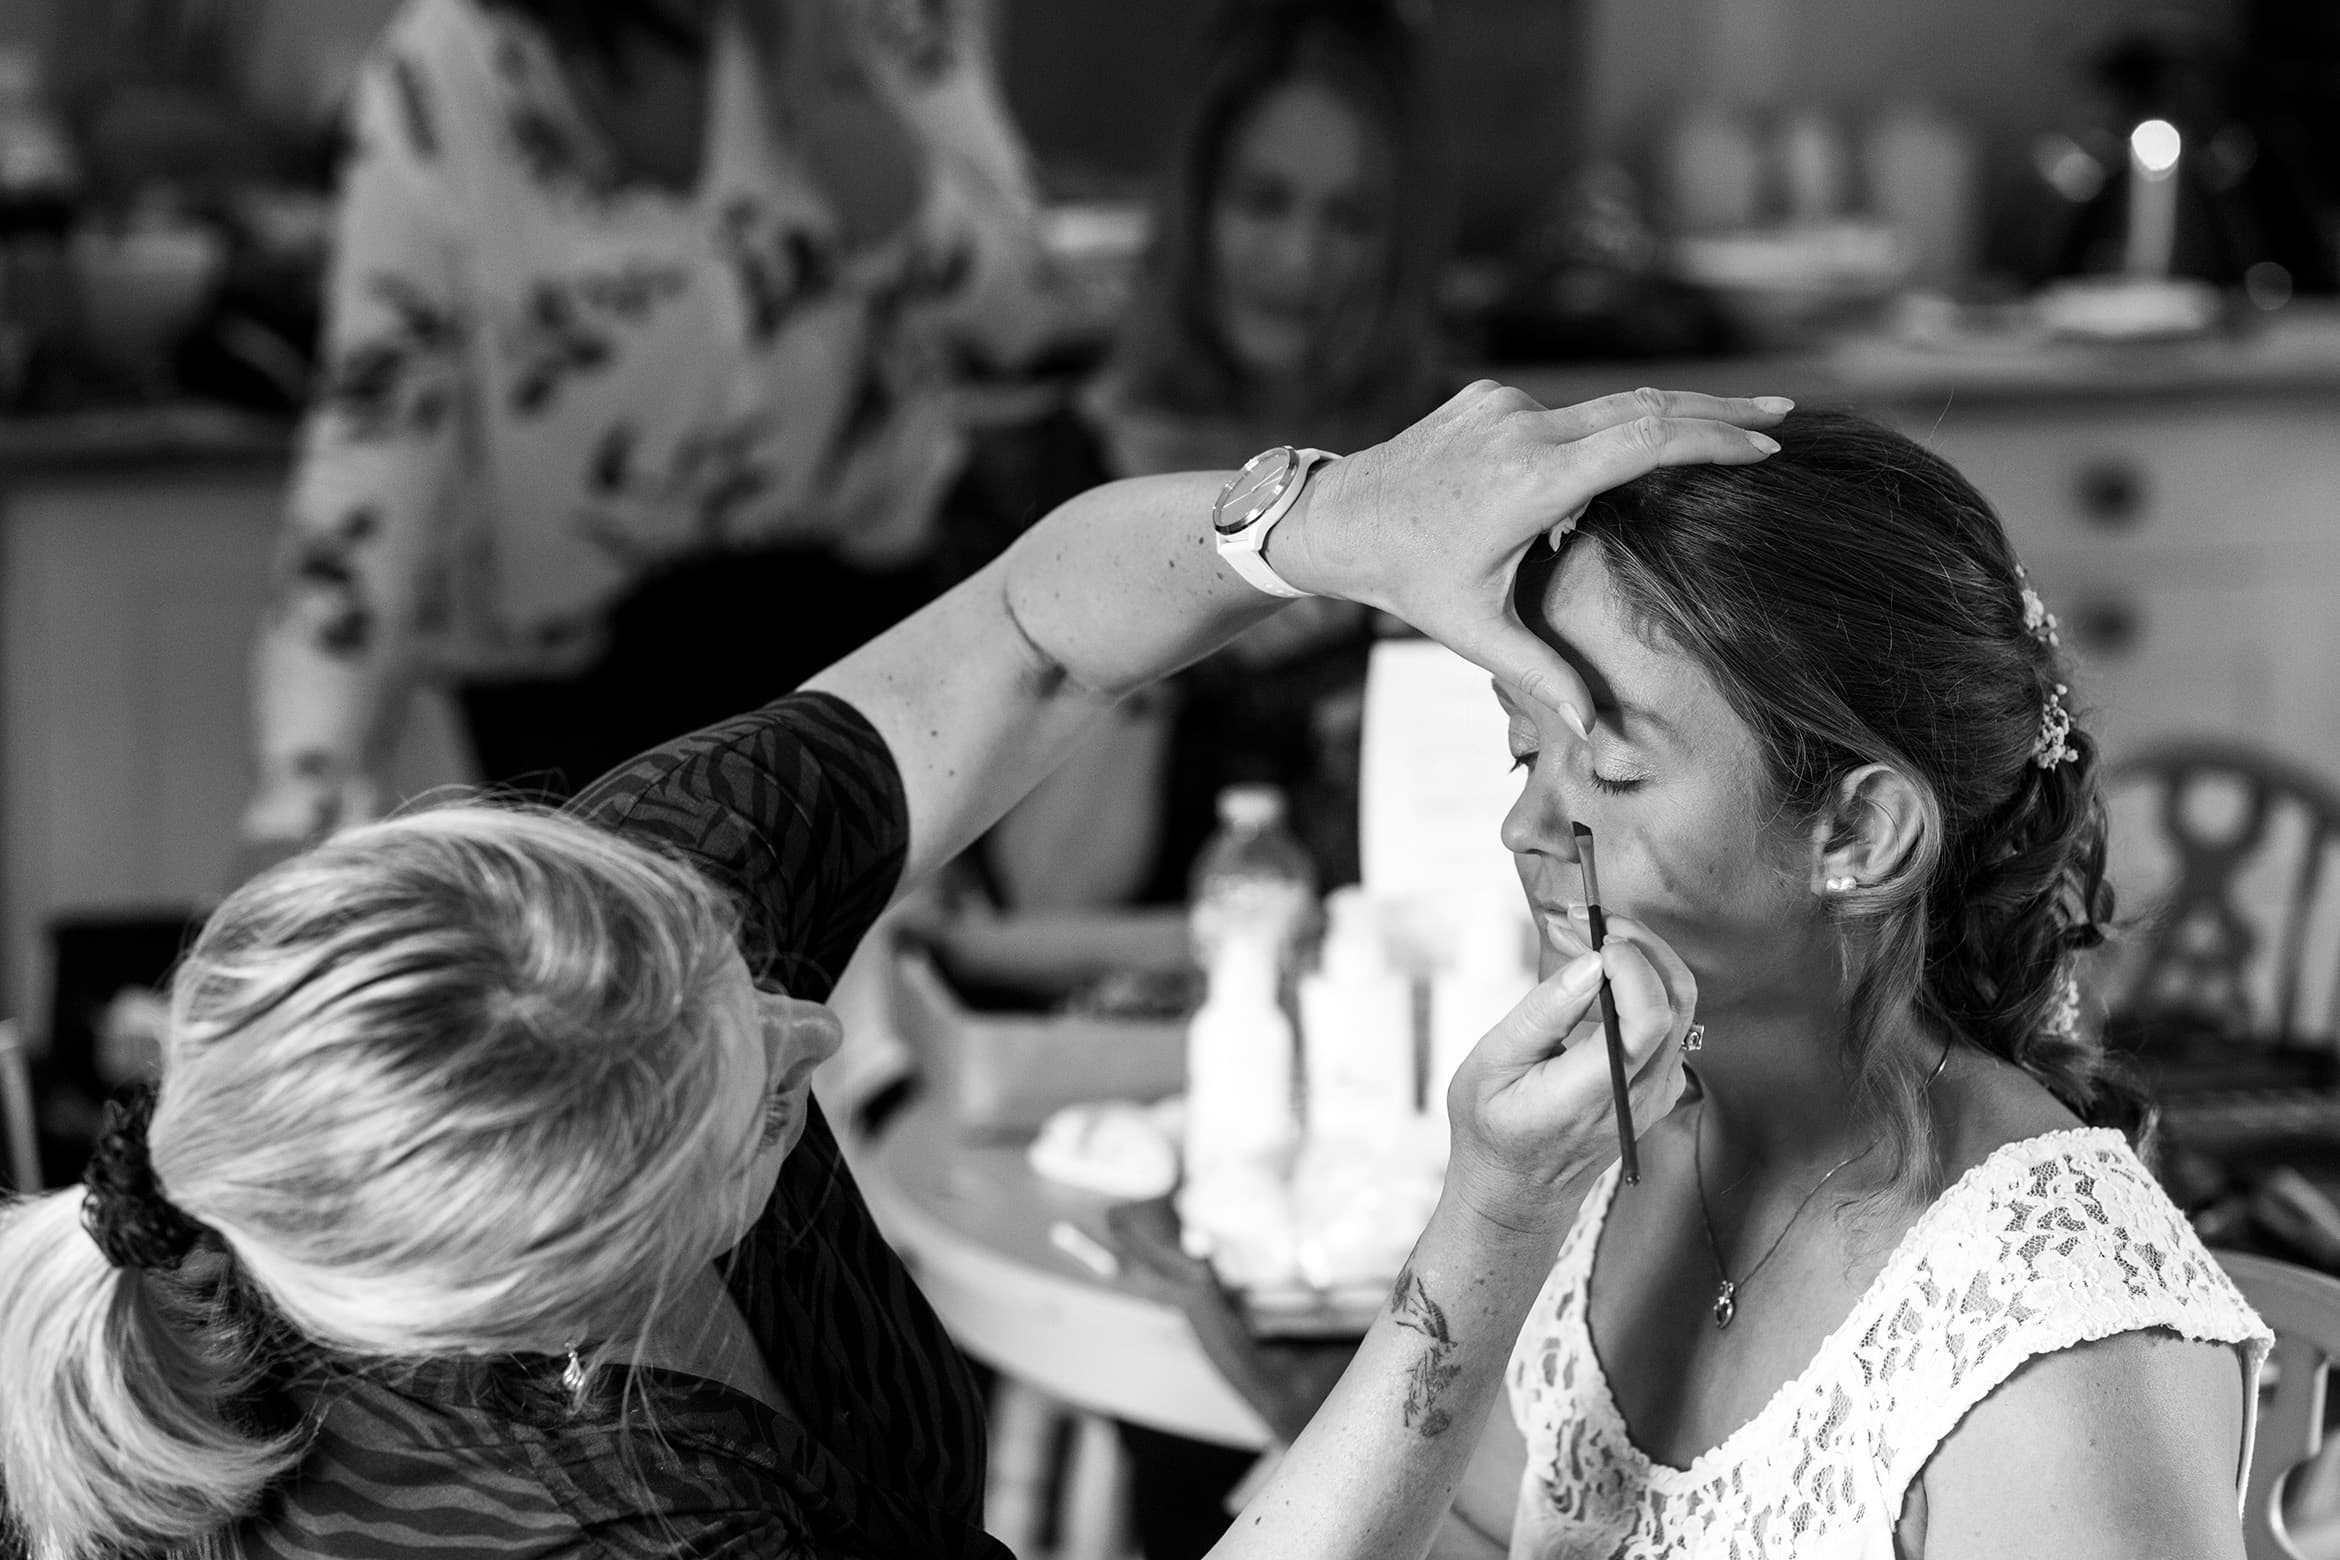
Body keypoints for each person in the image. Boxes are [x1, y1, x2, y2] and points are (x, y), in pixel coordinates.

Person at [0, 385, 1787, 1560]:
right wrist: (1483, 1235)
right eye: (742, 1094)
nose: (817, 1021)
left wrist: (1324, 526)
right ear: (585, 1288)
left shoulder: (610, 919)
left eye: (732, 968)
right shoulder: (618, 1531)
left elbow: (1027, 634)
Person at [1437, 408, 2271, 1559]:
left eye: (1614, 770)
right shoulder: (1605, 1157)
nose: (1522, 826)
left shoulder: (2056, 1336)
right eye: (1527, 751)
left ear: (1860, 833)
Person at [241, 0, 1061, 851]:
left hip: (867, 642)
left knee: (871, 977)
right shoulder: (447, 68)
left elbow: (1025, 316)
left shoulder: (876, 23)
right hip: (574, 694)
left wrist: (842, 112)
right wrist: (300, 790)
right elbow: (375, 437)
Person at [967, 0, 1446, 908]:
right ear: (1192, 208)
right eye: (1263, 202)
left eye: (1350, 218)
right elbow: (1051, 892)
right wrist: (1191, 594)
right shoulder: (1044, 481)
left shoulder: (1451, 465)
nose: (1302, 259)